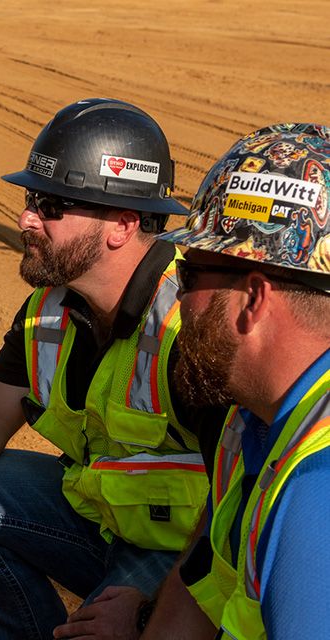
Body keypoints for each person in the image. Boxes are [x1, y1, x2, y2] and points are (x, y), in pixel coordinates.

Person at [0, 98, 226, 640]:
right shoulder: (50, 308)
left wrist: (147, 608)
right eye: (29, 199)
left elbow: (240, 512)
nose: (25, 219)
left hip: (189, 553)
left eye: (51, 206)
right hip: (106, 520)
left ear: (122, 223)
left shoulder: (194, 326)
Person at [139, 123, 330, 639]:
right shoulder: (249, 422)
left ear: (254, 299)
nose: (178, 302)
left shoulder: (317, 498)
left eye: (189, 276)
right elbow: (204, 591)